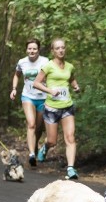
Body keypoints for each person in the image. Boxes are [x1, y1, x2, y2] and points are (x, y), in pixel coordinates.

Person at [32, 38, 81, 180]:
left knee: (70, 137)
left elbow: (71, 78)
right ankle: (45, 147)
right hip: (52, 108)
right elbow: (36, 83)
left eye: (63, 47)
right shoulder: (48, 66)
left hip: (67, 106)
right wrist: (49, 91)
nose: (61, 50)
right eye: (57, 48)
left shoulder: (70, 66)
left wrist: (75, 86)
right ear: (53, 51)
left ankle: (71, 168)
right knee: (52, 140)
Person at [10, 38, 49, 166]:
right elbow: (17, 75)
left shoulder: (45, 61)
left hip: (43, 97)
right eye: (30, 48)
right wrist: (14, 89)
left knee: (38, 128)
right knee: (31, 124)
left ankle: (35, 144)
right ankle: (32, 153)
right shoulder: (22, 62)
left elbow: (50, 76)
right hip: (28, 96)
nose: (32, 51)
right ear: (26, 49)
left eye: (34, 49)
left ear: (38, 50)